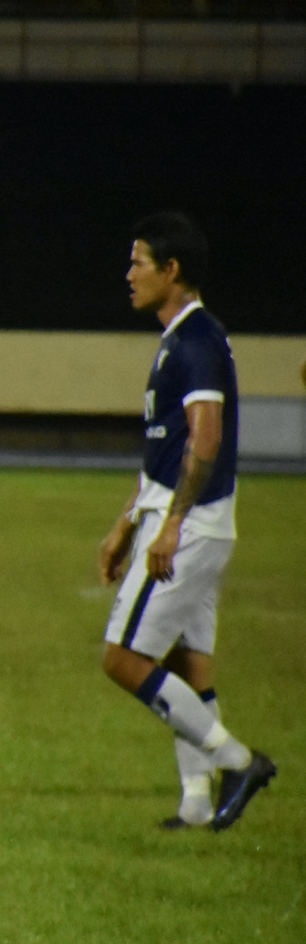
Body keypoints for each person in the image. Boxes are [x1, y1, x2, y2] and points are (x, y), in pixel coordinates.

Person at [95, 212, 275, 831]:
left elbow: (206, 436)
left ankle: (240, 761)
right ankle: (197, 806)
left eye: (139, 262)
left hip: (190, 528)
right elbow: (168, 451)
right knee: (189, 663)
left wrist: (170, 524)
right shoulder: (185, 337)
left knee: (121, 658)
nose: (129, 274)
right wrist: (126, 523)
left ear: (172, 271)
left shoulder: (195, 340)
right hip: (199, 522)